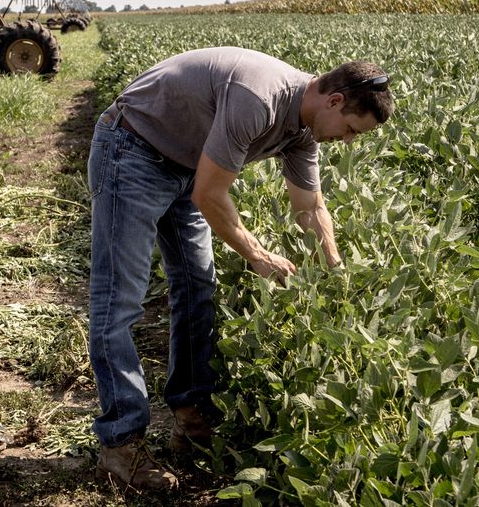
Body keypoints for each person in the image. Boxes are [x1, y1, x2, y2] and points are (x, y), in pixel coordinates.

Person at [87, 46, 394, 491]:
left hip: (185, 167)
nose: (346, 141)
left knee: (198, 287)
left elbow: (310, 207)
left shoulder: (304, 132)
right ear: (335, 101)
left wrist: (336, 273)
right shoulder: (260, 98)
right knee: (119, 300)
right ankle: (121, 443)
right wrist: (259, 255)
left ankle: (191, 417)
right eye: (349, 130)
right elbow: (210, 196)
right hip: (132, 150)